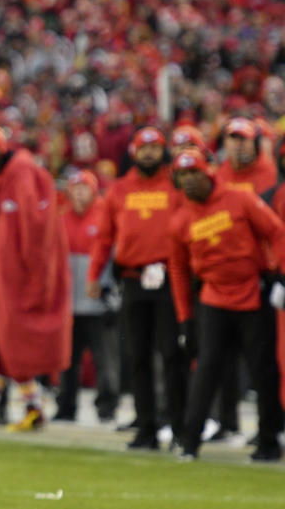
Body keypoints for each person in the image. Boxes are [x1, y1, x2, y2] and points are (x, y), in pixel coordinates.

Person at [168, 149, 285, 461]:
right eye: (183, 175)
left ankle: (269, 441)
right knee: (206, 370)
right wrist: (185, 318)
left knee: (263, 371)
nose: (190, 180)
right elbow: (178, 271)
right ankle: (190, 441)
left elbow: (276, 231)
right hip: (213, 298)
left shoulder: (241, 200)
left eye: (194, 172)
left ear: (208, 172)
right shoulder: (180, 220)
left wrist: (281, 275)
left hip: (252, 293)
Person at [0, 123, 72, 431]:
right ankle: (17, 406)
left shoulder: (21, 174)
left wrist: (34, 279)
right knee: (1, 342)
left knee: (8, 342)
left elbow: (33, 231)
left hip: (14, 277)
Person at [86, 127, 188, 450]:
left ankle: (178, 425)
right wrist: (93, 274)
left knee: (172, 353)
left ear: (164, 151)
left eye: (154, 148)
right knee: (138, 356)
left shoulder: (176, 184)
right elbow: (104, 237)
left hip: (169, 276)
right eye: (143, 148)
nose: (148, 154)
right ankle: (146, 427)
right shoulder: (119, 190)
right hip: (132, 277)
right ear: (133, 152)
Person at [54, 170, 118, 422]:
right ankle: (66, 406)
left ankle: (107, 407)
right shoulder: (62, 218)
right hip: (69, 303)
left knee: (105, 359)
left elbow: (111, 255)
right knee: (67, 360)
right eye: (75, 188)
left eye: (84, 188)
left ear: (93, 190)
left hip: (96, 302)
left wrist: (108, 289)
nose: (79, 193)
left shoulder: (104, 215)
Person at [215, 117, 277, 195]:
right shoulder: (221, 173)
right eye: (233, 138)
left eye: (243, 139)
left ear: (255, 144)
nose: (237, 144)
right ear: (225, 143)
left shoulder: (270, 174)